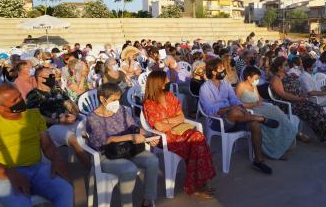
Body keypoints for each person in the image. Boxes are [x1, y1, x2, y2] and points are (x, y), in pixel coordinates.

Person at [0, 83, 73, 207]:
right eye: (15, 100)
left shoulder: (34, 115)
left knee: (65, 191)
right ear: (0, 107)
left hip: (37, 169)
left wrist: (57, 159)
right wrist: (10, 174)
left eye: (20, 96)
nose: (20, 101)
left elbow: (47, 145)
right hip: (3, 176)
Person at [143, 70, 216, 198]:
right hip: (165, 138)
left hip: (180, 130)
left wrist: (167, 121)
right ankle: (198, 184)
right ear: (158, 83)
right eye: (165, 80)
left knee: (197, 139)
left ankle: (197, 183)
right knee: (197, 140)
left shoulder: (169, 96)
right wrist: (173, 122)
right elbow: (159, 127)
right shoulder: (149, 103)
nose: (168, 81)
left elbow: (181, 116)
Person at [199, 58, 278, 174]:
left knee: (254, 124)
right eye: (221, 68)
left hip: (235, 117)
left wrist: (240, 107)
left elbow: (235, 100)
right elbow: (209, 111)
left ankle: (258, 160)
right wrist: (230, 108)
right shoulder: (205, 88)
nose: (224, 70)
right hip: (218, 121)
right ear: (213, 72)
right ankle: (261, 118)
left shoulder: (225, 84)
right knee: (235, 111)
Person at [87, 83, 158, 207]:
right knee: (129, 169)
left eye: (118, 99)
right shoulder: (93, 118)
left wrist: (147, 136)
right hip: (105, 155)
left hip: (126, 148)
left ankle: (148, 200)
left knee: (153, 161)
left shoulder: (121, 110)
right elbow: (106, 140)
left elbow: (133, 127)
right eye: (114, 100)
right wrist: (131, 137)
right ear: (102, 99)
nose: (117, 103)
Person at [270, 57, 326, 148]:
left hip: (298, 101)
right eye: (285, 65)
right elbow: (283, 95)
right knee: (312, 112)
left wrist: (299, 94)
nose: (288, 66)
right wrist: (298, 98)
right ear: (279, 67)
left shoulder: (288, 75)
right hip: (287, 104)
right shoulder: (276, 79)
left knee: (318, 109)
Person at [26, 67, 90, 167]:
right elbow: (36, 117)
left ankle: (99, 158)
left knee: (91, 131)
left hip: (69, 121)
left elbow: (72, 104)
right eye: (51, 76)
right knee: (74, 139)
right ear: (40, 78)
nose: (54, 78)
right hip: (51, 127)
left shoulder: (57, 90)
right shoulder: (33, 95)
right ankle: (92, 168)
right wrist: (58, 121)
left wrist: (74, 115)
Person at [235, 66, 297, 160]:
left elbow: (259, 98)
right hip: (249, 111)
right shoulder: (241, 86)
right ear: (248, 77)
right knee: (272, 117)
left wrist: (259, 101)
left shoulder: (253, 85)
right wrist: (253, 104)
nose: (257, 81)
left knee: (276, 112)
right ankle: (274, 150)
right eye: (256, 78)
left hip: (258, 106)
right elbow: (237, 104)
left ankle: (285, 141)